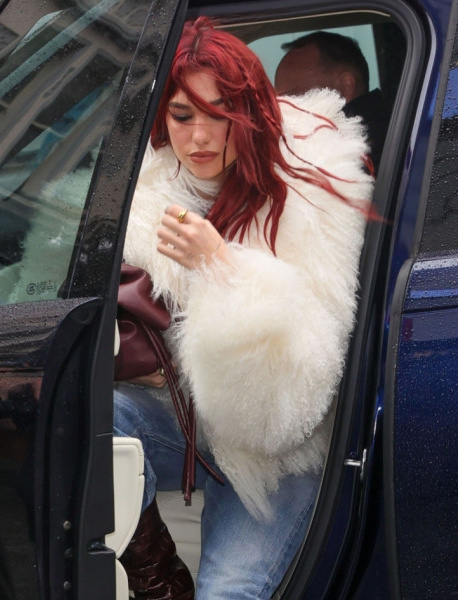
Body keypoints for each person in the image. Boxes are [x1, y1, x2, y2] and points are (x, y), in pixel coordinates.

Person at [114, 17, 374, 600]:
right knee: (91, 414)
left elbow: (299, 395)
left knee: (231, 592)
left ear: (251, 113)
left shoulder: (313, 192)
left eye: (221, 114)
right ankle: (157, 579)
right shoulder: (143, 191)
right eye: (183, 115)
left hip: (278, 447)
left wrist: (222, 268)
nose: (201, 136)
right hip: (183, 418)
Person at [274, 31, 391, 175]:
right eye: (278, 100)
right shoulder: (391, 132)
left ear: (345, 88)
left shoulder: (365, 154)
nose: (282, 110)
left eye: (294, 96)